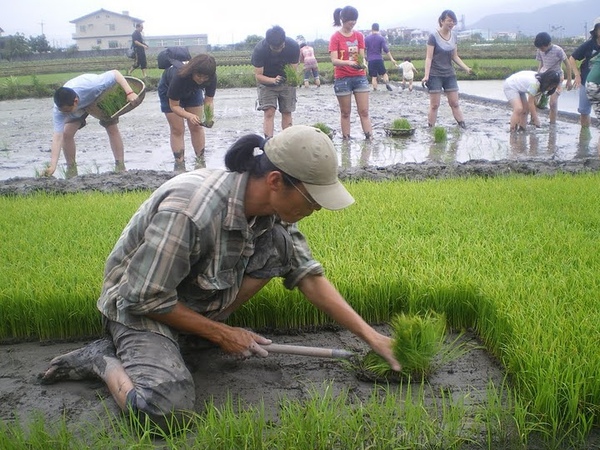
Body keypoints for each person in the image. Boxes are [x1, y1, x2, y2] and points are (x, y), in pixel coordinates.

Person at [40, 125, 401, 430]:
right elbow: (142, 296)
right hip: (139, 306)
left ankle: (185, 337)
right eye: (313, 199)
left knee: (278, 245)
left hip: (188, 297)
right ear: (276, 181)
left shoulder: (271, 216)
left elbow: (307, 275)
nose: (318, 208)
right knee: (165, 411)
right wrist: (223, 333)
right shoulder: (192, 210)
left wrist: (372, 337)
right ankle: (102, 359)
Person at [42, 70, 140, 178]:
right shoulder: (60, 110)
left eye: (67, 111)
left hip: (97, 98)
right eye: (63, 111)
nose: (65, 113)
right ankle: (71, 169)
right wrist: (53, 166)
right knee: (66, 134)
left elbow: (116, 73)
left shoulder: (93, 85)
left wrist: (129, 92)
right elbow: (57, 137)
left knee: (111, 127)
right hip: (79, 108)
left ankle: (120, 166)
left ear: (75, 101)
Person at [158, 53, 217, 172]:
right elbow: (174, 106)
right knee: (177, 129)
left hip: (193, 91)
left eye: (205, 77)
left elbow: (209, 100)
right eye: (199, 75)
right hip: (169, 92)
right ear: (193, 71)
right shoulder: (179, 76)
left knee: (197, 126)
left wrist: (209, 117)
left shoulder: (211, 77)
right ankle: (179, 165)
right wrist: (189, 115)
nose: (201, 79)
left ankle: (200, 161)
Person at [421, 9, 472, 129]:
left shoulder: (454, 36)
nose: (451, 23)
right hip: (435, 75)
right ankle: (430, 128)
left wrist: (466, 68)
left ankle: (462, 126)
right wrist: (426, 75)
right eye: (449, 20)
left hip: (449, 74)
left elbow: (455, 56)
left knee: (454, 103)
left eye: (453, 21)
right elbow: (428, 58)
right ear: (442, 21)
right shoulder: (433, 36)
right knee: (435, 105)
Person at [329, 5, 372, 140]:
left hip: (359, 77)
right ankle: (346, 139)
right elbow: (334, 60)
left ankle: (369, 138)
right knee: (345, 112)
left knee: (364, 111)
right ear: (342, 19)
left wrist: (362, 64)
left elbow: (361, 56)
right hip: (342, 79)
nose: (352, 22)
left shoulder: (359, 36)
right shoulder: (335, 37)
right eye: (350, 20)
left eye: (354, 20)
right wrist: (349, 63)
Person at [251, 25, 300, 138]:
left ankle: (287, 140)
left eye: (281, 46)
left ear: (284, 41)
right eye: (275, 48)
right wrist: (273, 80)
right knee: (269, 112)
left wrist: (291, 80)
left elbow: (293, 70)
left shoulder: (293, 46)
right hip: (266, 83)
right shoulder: (260, 50)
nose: (279, 49)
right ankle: (268, 142)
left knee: (287, 111)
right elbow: (258, 75)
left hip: (286, 83)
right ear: (269, 44)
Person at [533, 32, 572, 124]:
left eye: (542, 48)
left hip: (556, 78)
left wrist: (569, 80)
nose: (541, 50)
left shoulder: (558, 50)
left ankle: (552, 124)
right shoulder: (539, 50)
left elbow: (567, 64)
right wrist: (538, 74)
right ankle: (533, 119)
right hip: (544, 76)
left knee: (553, 103)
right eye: (539, 48)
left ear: (549, 44)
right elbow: (541, 63)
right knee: (534, 99)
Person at [568, 17, 600, 128]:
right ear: (595, 30)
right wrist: (577, 75)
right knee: (584, 111)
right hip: (586, 82)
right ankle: (585, 137)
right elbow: (572, 58)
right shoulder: (589, 45)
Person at [364, 23, 396, 91]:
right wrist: (392, 59)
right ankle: (387, 83)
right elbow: (385, 49)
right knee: (384, 73)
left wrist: (364, 60)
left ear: (371, 29)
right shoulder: (381, 38)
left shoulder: (367, 38)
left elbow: (363, 49)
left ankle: (375, 89)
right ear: (378, 29)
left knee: (374, 77)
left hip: (371, 60)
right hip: (379, 59)